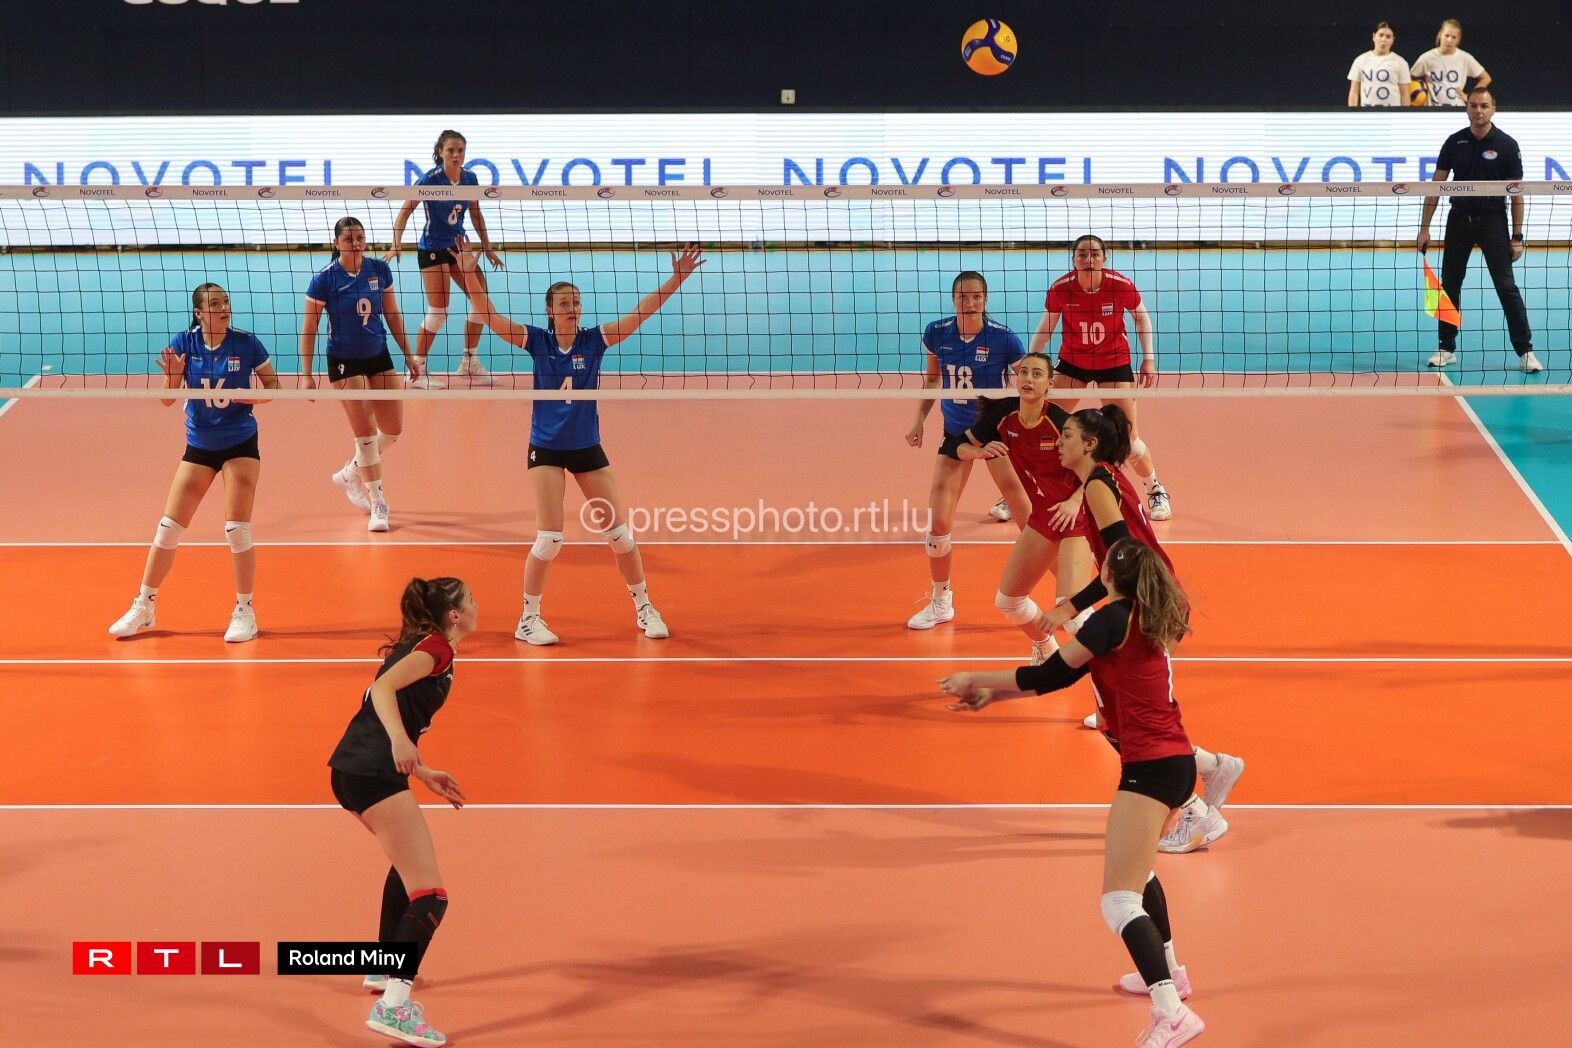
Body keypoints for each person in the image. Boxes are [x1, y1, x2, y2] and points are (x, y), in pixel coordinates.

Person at [940, 538, 1207, 1048]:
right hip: (1176, 762)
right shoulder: (1143, 617)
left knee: (1119, 901)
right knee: (1140, 872)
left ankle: (1171, 1013)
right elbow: (1058, 680)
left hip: (1150, 770)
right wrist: (992, 695)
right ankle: (1172, 973)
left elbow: (1047, 674)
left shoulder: (1109, 621)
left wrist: (976, 678)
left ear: (1107, 576)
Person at [454, 242, 702, 644]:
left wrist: (676, 279)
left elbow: (639, 314)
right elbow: (491, 317)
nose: (573, 308)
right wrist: (468, 273)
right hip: (546, 449)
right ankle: (528, 618)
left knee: (620, 535)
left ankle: (644, 607)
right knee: (549, 538)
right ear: (550, 310)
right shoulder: (538, 341)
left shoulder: (594, 341)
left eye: (577, 302)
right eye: (564, 303)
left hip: (587, 447)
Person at [1037, 406, 1246, 856]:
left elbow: (1123, 561)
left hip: (1147, 601)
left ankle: (1196, 809)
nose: (1059, 441)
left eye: (1067, 434)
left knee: (1131, 724)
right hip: (1152, 596)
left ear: (1090, 444)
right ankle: (1213, 769)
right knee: (1116, 719)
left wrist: (1070, 606)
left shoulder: (1098, 485)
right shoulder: (1105, 477)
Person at [328, 576, 476, 1048]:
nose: (477, 606)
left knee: (406, 870)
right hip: (371, 772)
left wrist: (422, 770)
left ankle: (383, 966)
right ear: (454, 615)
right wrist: (399, 741)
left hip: (354, 770)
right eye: (470, 601)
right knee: (431, 896)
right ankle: (394, 1007)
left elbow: (388, 705)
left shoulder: (423, 646)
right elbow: (382, 689)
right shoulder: (437, 649)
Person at [109, 283, 280, 643]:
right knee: (167, 529)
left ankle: (245, 611)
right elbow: (167, 400)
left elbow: (274, 387)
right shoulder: (184, 343)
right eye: (215, 304)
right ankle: (144, 605)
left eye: (226, 302)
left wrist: (248, 396)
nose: (224, 308)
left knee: (236, 529)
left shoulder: (246, 343)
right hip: (199, 445)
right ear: (199, 313)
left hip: (239, 443)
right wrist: (173, 377)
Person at [905, 271, 1034, 630]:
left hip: (995, 434)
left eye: (977, 297)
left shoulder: (1004, 338)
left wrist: (1024, 423)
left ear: (986, 300)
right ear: (954, 299)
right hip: (955, 435)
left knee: (1029, 520)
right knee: (939, 523)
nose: (970, 303)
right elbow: (933, 379)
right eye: (963, 296)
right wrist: (918, 421)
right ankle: (941, 601)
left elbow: (1029, 382)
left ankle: (1070, 601)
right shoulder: (936, 333)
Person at [956, 352, 1095, 664]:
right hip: (1043, 518)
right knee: (1008, 601)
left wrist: (1074, 502)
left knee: (1072, 615)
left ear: (1049, 384)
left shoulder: (1062, 423)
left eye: (1037, 374)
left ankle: (1118, 671)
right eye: (1024, 372)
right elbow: (957, 445)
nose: (1028, 379)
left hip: (1076, 519)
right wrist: (978, 452)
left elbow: (1099, 469)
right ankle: (1046, 648)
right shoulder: (1004, 415)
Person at [1029, 235, 1171, 521]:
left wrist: (1149, 358)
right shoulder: (1061, 288)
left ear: (1104, 259)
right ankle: (1027, 489)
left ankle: (1154, 488)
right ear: (1074, 260)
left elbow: (1141, 318)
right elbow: (1046, 328)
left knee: (1129, 440)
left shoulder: (1120, 284)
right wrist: (1031, 362)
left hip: (1113, 363)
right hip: (1074, 363)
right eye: (1082, 254)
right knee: (1044, 428)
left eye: (1095, 254)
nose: (1089, 260)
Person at [302, 217, 421, 532]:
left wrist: (408, 354)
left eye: (359, 238)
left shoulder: (379, 269)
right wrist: (306, 373)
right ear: (337, 243)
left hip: (378, 354)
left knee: (392, 429)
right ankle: (378, 503)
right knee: (366, 435)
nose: (355, 244)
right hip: (344, 361)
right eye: (348, 239)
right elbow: (310, 326)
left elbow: (392, 313)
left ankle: (351, 472)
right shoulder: (324, 279)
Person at [1417, 88, 1542, 373]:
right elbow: (1435, 186)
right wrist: (1424, 228)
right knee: (1450, 285)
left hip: (1493, 223)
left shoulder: (1507, 145)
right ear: (1467, 109)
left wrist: (1517, 236)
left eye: (1484, 106)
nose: (1478, 110)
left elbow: (1517, 194)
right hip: (1458, 221)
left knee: (1506, 287)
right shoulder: (1454, 142)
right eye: (1473, 105)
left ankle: (1525, 351)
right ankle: (1446, 348)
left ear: (1493, 109)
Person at [386, 130, 505, 389]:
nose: (456, 155)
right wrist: (396, 245)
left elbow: (476, 214)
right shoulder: (430, 180)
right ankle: (417, 371)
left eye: (460, 150)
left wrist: (487, 248)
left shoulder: (470, 178)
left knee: (482, 303)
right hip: (432, 248)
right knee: (439, 312)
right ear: (440, 152)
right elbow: (404, 212)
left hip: (457, 246)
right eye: (451, 150)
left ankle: (469, 363)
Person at [1409, 19, 1490, 108]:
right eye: (1446, 35)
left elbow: (1486, 78)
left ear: (1458, 39)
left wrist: (1470, 97)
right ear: (1440, 34)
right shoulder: (1427, 58)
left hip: (1457, 109)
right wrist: (1418, 95)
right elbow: (1408, 79)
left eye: (1454, 37)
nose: (1449, 40)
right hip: (1433, 110)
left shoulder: (1465, 58)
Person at [1346, 22, 1411, 108]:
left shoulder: (1400, 62)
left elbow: (1405, 93)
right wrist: (1352, 113)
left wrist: (1404, 114)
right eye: (1381, 35)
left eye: (1388, 36)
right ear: (1374, 36)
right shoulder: (1360, 60)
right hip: (1367, 113)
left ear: (1393, 40)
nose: (1384, 39)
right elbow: (1354, 92)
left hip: (1393, 114)